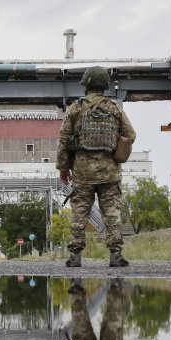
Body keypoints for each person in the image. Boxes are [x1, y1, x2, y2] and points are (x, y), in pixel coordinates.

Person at [57, 66, 136, 268]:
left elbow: (63, 139)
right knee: (112, 213)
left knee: (79, 213)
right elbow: (131, 134)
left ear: (86, 84)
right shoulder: (114, 108)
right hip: (110, 172)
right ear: (104, 86)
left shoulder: (75, 108)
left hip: (82, 172)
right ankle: (116, 255)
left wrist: (63, 169)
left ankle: (75, 256)